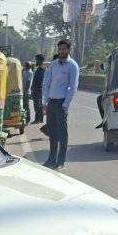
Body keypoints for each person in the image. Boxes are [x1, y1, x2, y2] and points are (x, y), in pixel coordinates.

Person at [41, 38, 80, 168]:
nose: (61, 51)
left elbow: (73, 87)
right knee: (52, 133)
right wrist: (45, 102)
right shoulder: (53, 64)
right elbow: (47, 83)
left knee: (62, 134)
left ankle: (60, 162)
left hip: (62, 103)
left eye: (64, 49)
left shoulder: (73, 66)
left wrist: (66, 104)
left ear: (68, 50)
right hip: (51, 102)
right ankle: (51, 159)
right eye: (60, 49)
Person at [30, 54, 46, 124]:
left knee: (37, 105)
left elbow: (39, 81)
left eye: (36, 59)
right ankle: (40, 119)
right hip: (37, 89)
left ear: (39, 60)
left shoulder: (41, 69)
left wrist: (34, 88)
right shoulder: (40, 68)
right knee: (38, 104)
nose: (35, 61)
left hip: (38, 90)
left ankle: (38, 119)